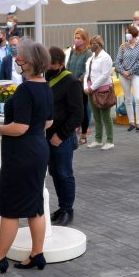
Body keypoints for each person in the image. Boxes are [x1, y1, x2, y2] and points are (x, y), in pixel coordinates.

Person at [0, 40, 54, 277]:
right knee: (35, 205)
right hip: (39, 150)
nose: (17, 60)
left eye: (20, 57)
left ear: (28, 63)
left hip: (21, 155)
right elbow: (48, 122)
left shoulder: (25, 90)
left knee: (10, 209)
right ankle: (37, 254)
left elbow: (19, 127)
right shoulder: (46, 87)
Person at [46, 46, 84, 227]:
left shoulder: (71, 81)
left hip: (62, 136)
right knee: (54, 172)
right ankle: (62, 207)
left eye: (52, 65)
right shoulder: (45, 77)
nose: (48, 68)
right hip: (46, 135)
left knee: (64, 173)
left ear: (60, 64)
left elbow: (77, 114)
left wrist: (60, 135)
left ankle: (68, 209)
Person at [83, 35, 114, 150]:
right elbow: (87, 74)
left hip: (102, 90)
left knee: (105, 116)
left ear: (99, 44)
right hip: (91, 90)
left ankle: (110, 141)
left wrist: (92, 87)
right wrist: (86, 87)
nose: (91, 46)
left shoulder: (106, 57)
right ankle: (98, 139)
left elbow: (105, 75)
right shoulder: (91, 58)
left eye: (93, 43)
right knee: (96, 116)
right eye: (91, 43)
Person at [115, 25, 139, 133]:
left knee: (138, 98)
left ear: (134, 34)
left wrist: (130, 72)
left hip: (136, 74)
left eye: (128, 32)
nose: (126, 34)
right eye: (126, 32)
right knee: (128, 99)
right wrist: (123, 72)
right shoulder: (123, 46)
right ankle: (132, 122)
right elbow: (118, 61)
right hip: (123, 75)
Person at [67, 28, 93, 145]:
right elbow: (68, 66)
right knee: (71, 108)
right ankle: (72, 129)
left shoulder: (88, 53)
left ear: (84, 40)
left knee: (82, 110)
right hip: (70, 84)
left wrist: (79, 79)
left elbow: (88, 70)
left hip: (81, 85)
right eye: (75, 37)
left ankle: (83, 134)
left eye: (79, 38)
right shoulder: (73, 52)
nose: (76, 40)